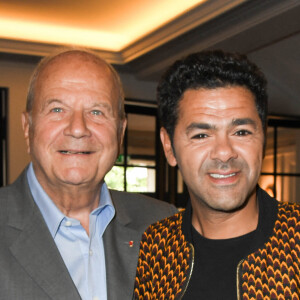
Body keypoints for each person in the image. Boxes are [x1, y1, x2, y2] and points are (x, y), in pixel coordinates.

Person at [0, 48, 177, 300]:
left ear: (120, 132)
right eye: (57, 109)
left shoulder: (163, 225)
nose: (78, 129)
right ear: (27, 127)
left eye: (97, 112)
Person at [134, 50, 300, 299]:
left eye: (241, 132)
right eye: (201, 135)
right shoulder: (157, 246)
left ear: (263, 139)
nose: (224, 153)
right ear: (169, 148)